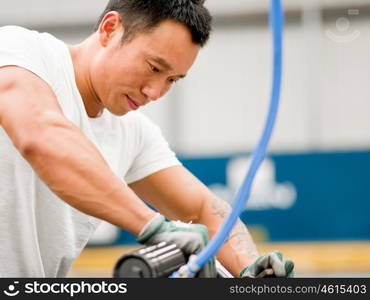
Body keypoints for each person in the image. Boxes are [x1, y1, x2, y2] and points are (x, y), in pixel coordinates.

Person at [0, 0, 294, 278]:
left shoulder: (132, 133)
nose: (154, 92)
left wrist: (249, 268)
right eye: (154, 67)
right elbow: (42, 137)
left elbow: (202, 208)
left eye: (172, 80)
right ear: (110, 29)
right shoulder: (18, 51)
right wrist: (152, 226)